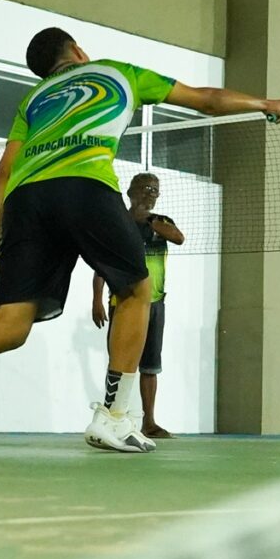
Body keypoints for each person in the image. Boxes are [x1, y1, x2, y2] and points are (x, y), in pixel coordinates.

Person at [0, 28, 280, 454]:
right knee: (138, 290)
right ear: (78, 51)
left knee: (10, 322)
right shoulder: (119, 72)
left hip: (27, 199)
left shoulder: (34, 99)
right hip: (85, 185)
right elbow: (207, 99)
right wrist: (265, 103)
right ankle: (115, 418)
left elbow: (4, 172)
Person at [90, 172, 183, 440]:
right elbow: (100, 265)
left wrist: (150, 219)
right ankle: (113, 415)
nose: (150, 193)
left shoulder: (161, 222)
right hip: (122, 302)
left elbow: (178, 237)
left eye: (155, 190)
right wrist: (97, 299)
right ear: (130, 192)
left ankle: (149, 422)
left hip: (155, 304)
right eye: (145, 189)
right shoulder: (118, 224)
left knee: (151, 365)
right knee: (119, 362)